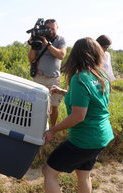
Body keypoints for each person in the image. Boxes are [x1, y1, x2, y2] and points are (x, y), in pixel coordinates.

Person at [42, 37, 114, 193]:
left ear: (76, 55)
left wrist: (52, 130)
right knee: (83, 175)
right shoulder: (100, 75)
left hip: (84, 139)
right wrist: (62, 92)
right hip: (101, 136)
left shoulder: (79, 78)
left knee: (48, 171)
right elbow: (89, 99)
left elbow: (78, 116)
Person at [28, 19, 67, 128]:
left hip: (53, 79)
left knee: (54, 106)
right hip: (39, 78)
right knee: (36, 105)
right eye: (48, 29)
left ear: (57, 28)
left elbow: (61, 55)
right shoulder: (38, 39)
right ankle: (35, 128)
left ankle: (52, 129)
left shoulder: (60, 40)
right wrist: (33, 45)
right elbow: (31, 59)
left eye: (53, 29)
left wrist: (47, 44)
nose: (50, 31)